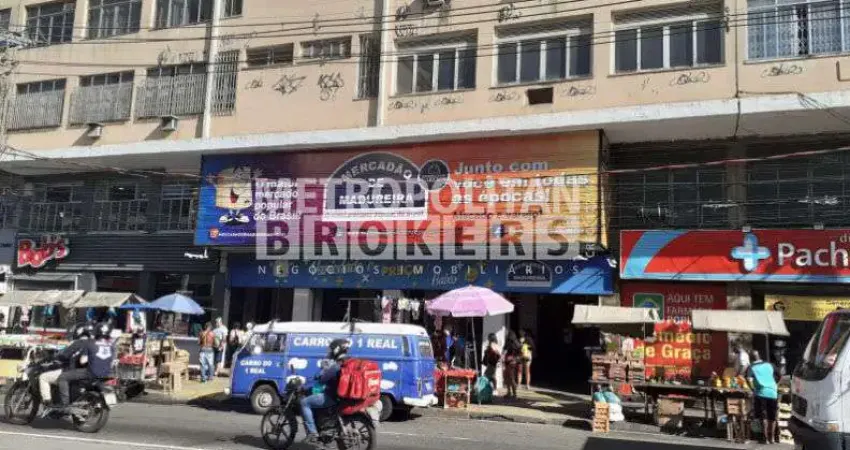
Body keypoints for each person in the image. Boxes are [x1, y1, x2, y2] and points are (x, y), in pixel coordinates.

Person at [56, 322, 115, 412]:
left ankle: (65, 405)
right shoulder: (111, 346)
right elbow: (111, 362)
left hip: (91, 373)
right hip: (107, 374)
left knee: (63, 377)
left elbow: (82, 361)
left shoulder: (90, 343)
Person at [300, 338, 349, 444]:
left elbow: (322, 380)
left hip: (331, 396)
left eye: (331, 350)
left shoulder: (336, 365)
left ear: (336, 350)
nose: (330, 352)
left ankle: (312, 433)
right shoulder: (347, 361)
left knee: (304, 402)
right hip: (341, 395)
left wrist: (321, 374)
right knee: (314, 395)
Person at [40, 323, 92, 407]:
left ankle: (48, 403)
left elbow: (63, 356)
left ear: (77, 333)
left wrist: (52, 358)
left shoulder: (77, 343)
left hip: (73, 372)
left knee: (43, 377)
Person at [747, 351, 780, 444]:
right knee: (772, 416)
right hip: (773, 392)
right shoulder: (770, 364)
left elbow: (749, 379)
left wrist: (753, 389)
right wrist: (774, 385)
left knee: (764, 416)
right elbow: (780, 375)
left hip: (761, 393)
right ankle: (772, 438)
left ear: (751, 359)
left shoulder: (751, 367)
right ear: (759, 357)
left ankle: (765, 439)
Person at [503, 331, 521, 399]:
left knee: (510, 378)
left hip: (511, 362)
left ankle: (513, 393)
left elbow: (504, 351)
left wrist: (514, 359)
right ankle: (511, 393)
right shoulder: (515, 342)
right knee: (509, 378)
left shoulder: (514, 343)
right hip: (511, 362)